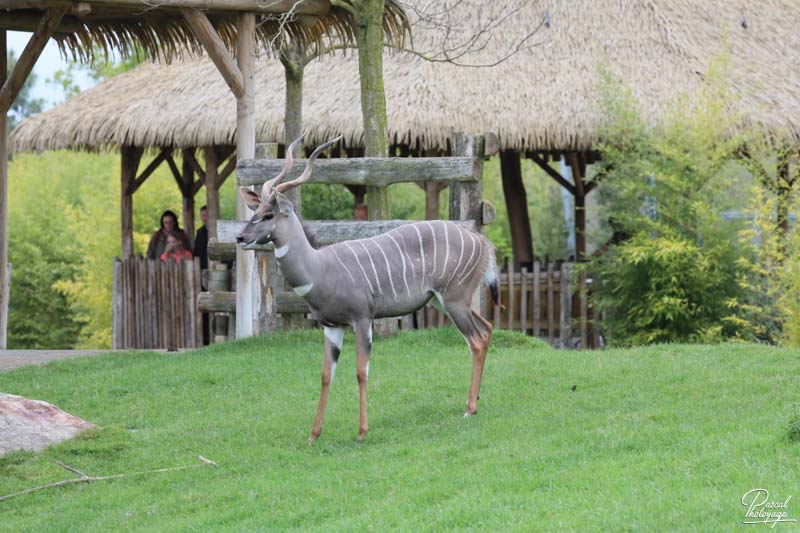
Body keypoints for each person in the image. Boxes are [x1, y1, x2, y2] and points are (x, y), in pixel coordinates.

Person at [194, 205, 209, 270]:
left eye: (207, 215)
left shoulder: (219, 230)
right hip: (202, 267)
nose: (205, 218)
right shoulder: (199, 232)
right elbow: (197, 251)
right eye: (203, 215)